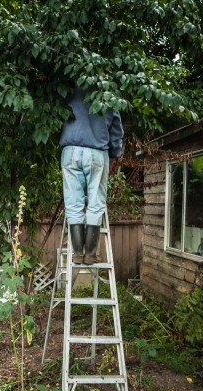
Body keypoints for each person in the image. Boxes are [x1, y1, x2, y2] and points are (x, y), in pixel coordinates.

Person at [60, 88, 124, 264]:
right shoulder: (109, 93)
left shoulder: (67, 89)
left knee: (73, 202)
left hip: (70, 150)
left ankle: (77, 254)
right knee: (96, 201)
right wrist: (115, 152)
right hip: (97, 151)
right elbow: (117, 129)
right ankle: (90, 254)